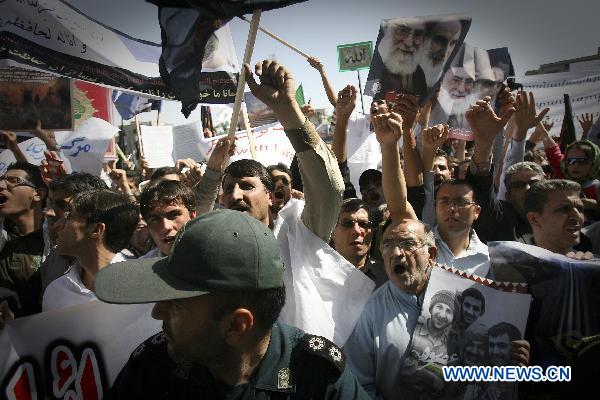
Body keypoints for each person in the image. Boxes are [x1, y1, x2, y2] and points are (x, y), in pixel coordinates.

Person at [94, 210, 369, 399]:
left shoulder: (315, 375)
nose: (157, 311)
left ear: (237, 326)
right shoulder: (153, 368)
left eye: (176, 304)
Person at [42, 189, 138, 311]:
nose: (57, 225)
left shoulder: (141, 286)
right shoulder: (57, 292)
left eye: (70, 216)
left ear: (96, 230)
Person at [39, 172, 108, 294]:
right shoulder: (52, 262)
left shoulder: (129, 269)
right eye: (50, 203)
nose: (49, 213)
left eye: (62, 206)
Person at [0, 162, 48, 316]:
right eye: (1, 180)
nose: (1, 185)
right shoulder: (4, 240)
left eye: (14, 181)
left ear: (38, 194)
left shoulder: (57, 242)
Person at [434, 179, 490, 277]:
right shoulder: (419, 247)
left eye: (460, 202)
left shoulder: (489, 260)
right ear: (435, 208)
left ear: (476, 211)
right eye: (444, 202)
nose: (451, 208)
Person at [330, 198, 387, 288]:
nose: (356, 231)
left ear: (372, 233)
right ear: (332, 233)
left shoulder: (389, 277)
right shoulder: (316, 275)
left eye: (363, 224)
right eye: (347, 224)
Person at [524, 179, 589, 256]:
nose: (577, 216)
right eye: (564, 209)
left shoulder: (592, 265)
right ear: (534, 219)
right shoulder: (512, 264)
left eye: (580, 209)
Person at [374, 19, 428, 97]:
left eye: (418, 34)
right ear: (386, 29)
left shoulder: (419, 74)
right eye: (402, 31)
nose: (409, 43)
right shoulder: (374, 71)